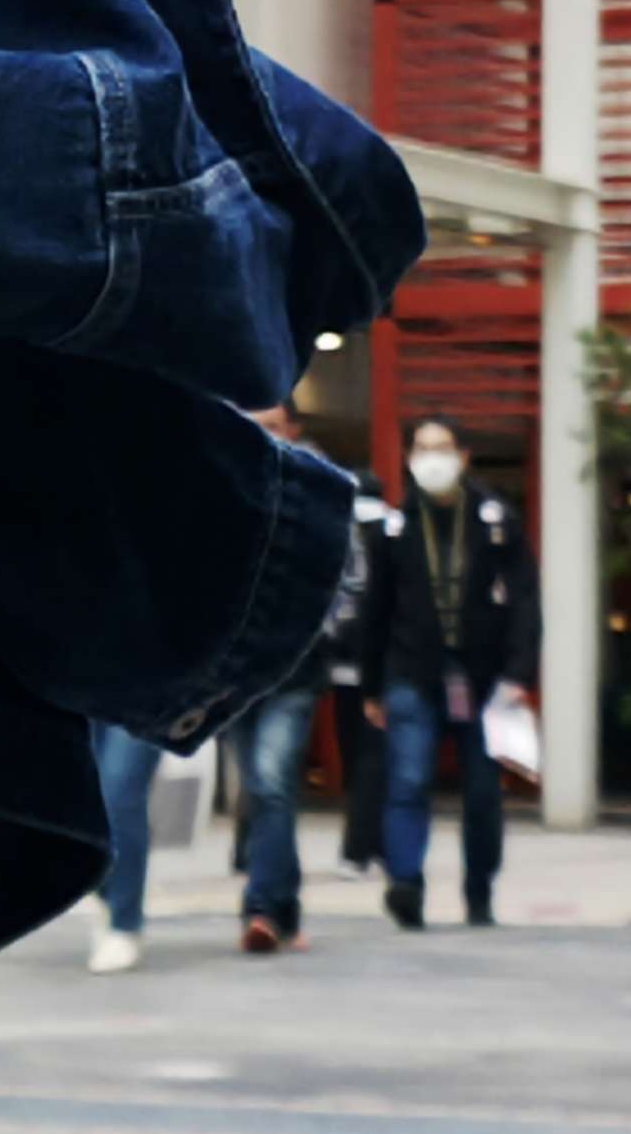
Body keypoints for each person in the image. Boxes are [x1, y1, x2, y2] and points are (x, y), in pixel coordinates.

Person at [342, 404, 538, 930]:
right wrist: (371, 684)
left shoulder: (497, 520)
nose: (431, 459)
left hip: (483, 677)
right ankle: (406, 883)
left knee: (481, 789)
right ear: (408, 458)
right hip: (411, 672)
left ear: (464, 456)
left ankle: (479, 889)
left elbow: (525, 599)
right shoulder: (396, 526)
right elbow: (375, 608)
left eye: (441, 449)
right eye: (422, 449)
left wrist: (520, 672)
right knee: (407, 779)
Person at [225, 380, 367, 954]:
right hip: (233, 673)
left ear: (293, 429)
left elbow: (352, 576)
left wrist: (314, 630)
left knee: (271, 781)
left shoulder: (321, 490)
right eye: (251, 425)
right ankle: (284, 909)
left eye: (272, 425)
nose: (261, 437)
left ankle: (260, 909)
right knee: (261, 790)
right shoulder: (223, 480)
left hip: (293, 670)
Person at [81, 710, 166, 974]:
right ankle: (107, 891)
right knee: (86, 794)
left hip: (149, 690)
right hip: (81, 685)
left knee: (120, 795)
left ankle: (124, 923)